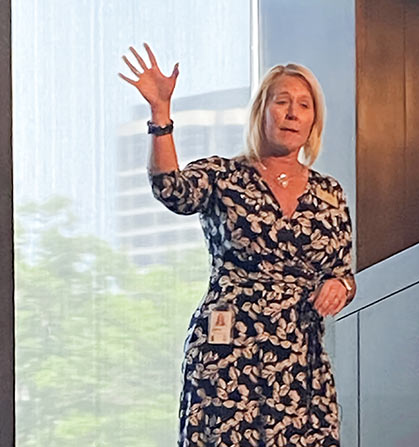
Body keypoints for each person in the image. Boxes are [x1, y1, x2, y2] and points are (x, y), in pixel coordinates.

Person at [119, 43, 356, 447]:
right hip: (228, 351)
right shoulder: (224, 175)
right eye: (282, 101)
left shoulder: (329, 192)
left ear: (314, 120)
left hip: (299, 357)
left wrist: (340, 286)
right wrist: (160, 114)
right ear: (261, 111)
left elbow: (343, 273)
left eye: (304, 105)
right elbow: (171, 189)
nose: (292, 113)